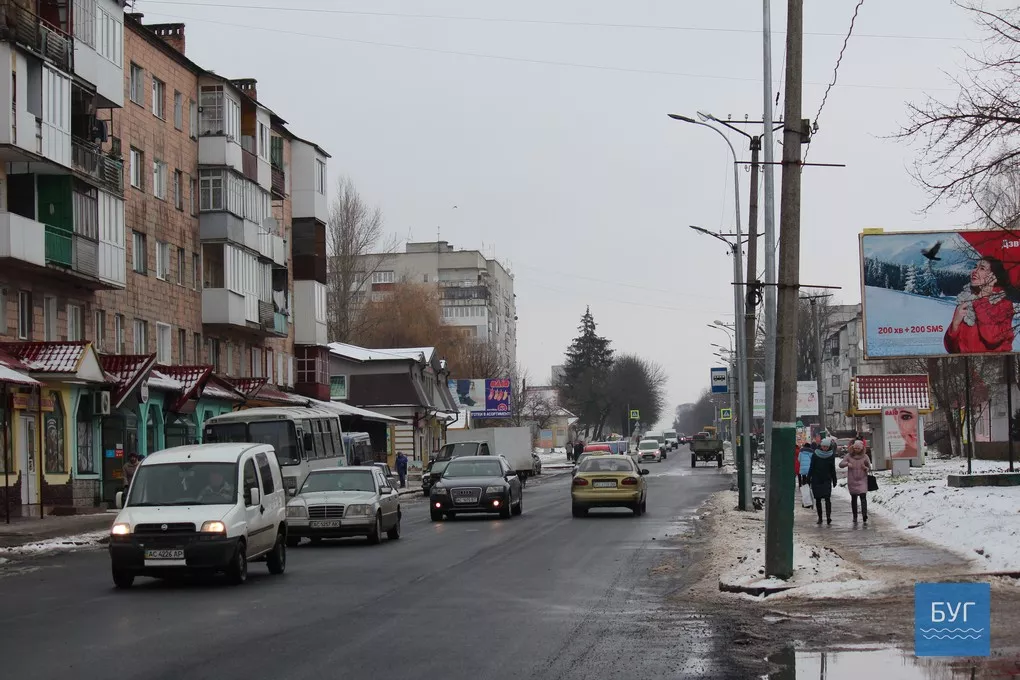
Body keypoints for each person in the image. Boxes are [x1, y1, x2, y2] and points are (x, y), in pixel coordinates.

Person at [944, 256, 1019, 354]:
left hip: (992, 362)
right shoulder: (965, 301)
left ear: (993, 277)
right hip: (965, 362)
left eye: (982, 268)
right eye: (975, 267)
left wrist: (983, 299)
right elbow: (951, 349)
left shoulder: (1003, 304)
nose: (975, 271)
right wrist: (955, 324)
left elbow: (992, 338)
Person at [840, 440, 872, 524]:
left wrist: (865, 468)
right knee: (854, 499)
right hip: (852, 480)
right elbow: (841, 464)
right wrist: (847, 463)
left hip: (862, 480)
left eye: (858, 448)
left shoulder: (865, 456)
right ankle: (855, 516)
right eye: (855, 448)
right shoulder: (849, 456)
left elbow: (869, 467)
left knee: (863, 497)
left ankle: (864, 515)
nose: (856, 450)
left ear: (862, 448)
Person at [808, 437, 838, 525]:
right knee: (818, 499)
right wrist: (808, 477)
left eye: (827, 447)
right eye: (824, 446)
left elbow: (832, 468)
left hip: (826, 479)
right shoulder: (815, 454)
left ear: (829, 447)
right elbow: (812, 466)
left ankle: (828, 517)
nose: (825, 448)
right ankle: (820, 517)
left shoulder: (831, 455)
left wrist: (834, 479)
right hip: (816, 479)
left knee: (827, 498)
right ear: (821, 446)